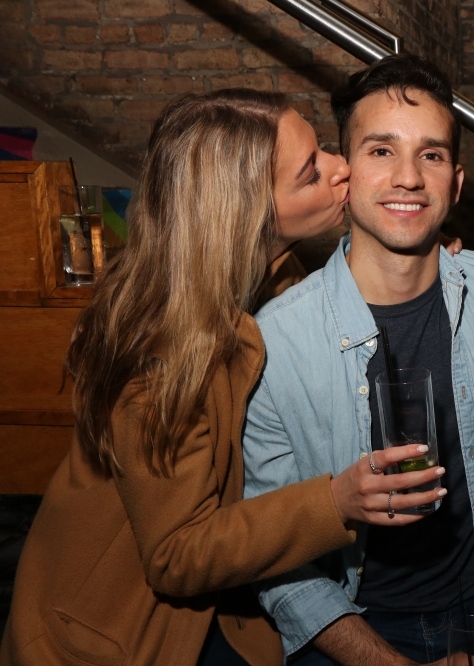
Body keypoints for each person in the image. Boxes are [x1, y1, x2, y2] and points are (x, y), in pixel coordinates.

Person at [0, 89, 447, 666]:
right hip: (120, 630)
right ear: (247, 216)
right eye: (311, 173)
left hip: (228, 600)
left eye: (322, 150)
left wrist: (423, 255)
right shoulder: (158, 354)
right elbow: (176, 555)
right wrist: (334, 501)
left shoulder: (269, 276)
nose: (342, 168)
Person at [241, 54, 474, 666]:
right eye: (381, 150)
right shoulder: (277, 341)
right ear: (345, 174)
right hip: (349, 613)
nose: (408, 178)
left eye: (431, 155)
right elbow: (278, 560)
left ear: (456, 182)